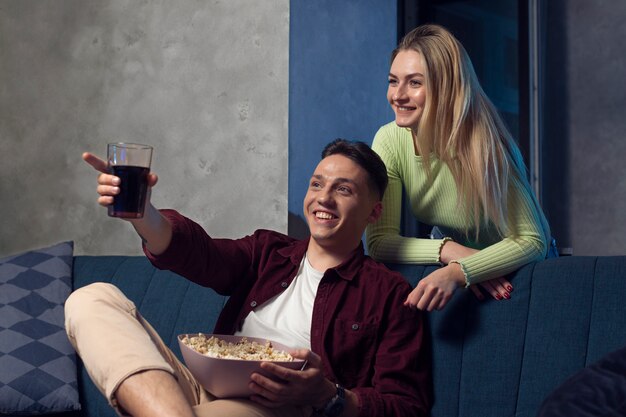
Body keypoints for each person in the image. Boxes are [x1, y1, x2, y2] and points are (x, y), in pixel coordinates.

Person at [65, 139, 432, 417]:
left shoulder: (389, 293)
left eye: (344, 189)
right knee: (92, 298)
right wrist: (143, 212)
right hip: (192, 391)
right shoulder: (267, 252)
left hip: (273, 406)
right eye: (317, 184)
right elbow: (200, 255)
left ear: (374, 212)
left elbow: (406, 405)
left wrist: (329, 395)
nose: (324, 198)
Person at [366, 24, 553, 312]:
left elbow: (532, 241)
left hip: (520, 272)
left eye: (415, 83)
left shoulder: (486, 143)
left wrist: (461, 270)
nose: (398, 95)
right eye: (393, 81)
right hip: (462, 267)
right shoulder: (388, 140)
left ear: (446, 87)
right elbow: (379, 242)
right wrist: (453, 254)